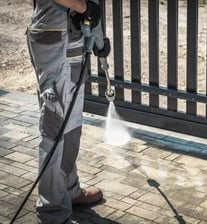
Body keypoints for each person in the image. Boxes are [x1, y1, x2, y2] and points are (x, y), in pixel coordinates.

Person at [26, 0, 109, 223]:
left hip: (66, 37)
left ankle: (69, 189)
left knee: (70, 122)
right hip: (57, 37)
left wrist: (97, 36)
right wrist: (84, 8)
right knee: (56, 124)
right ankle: (52, 209)